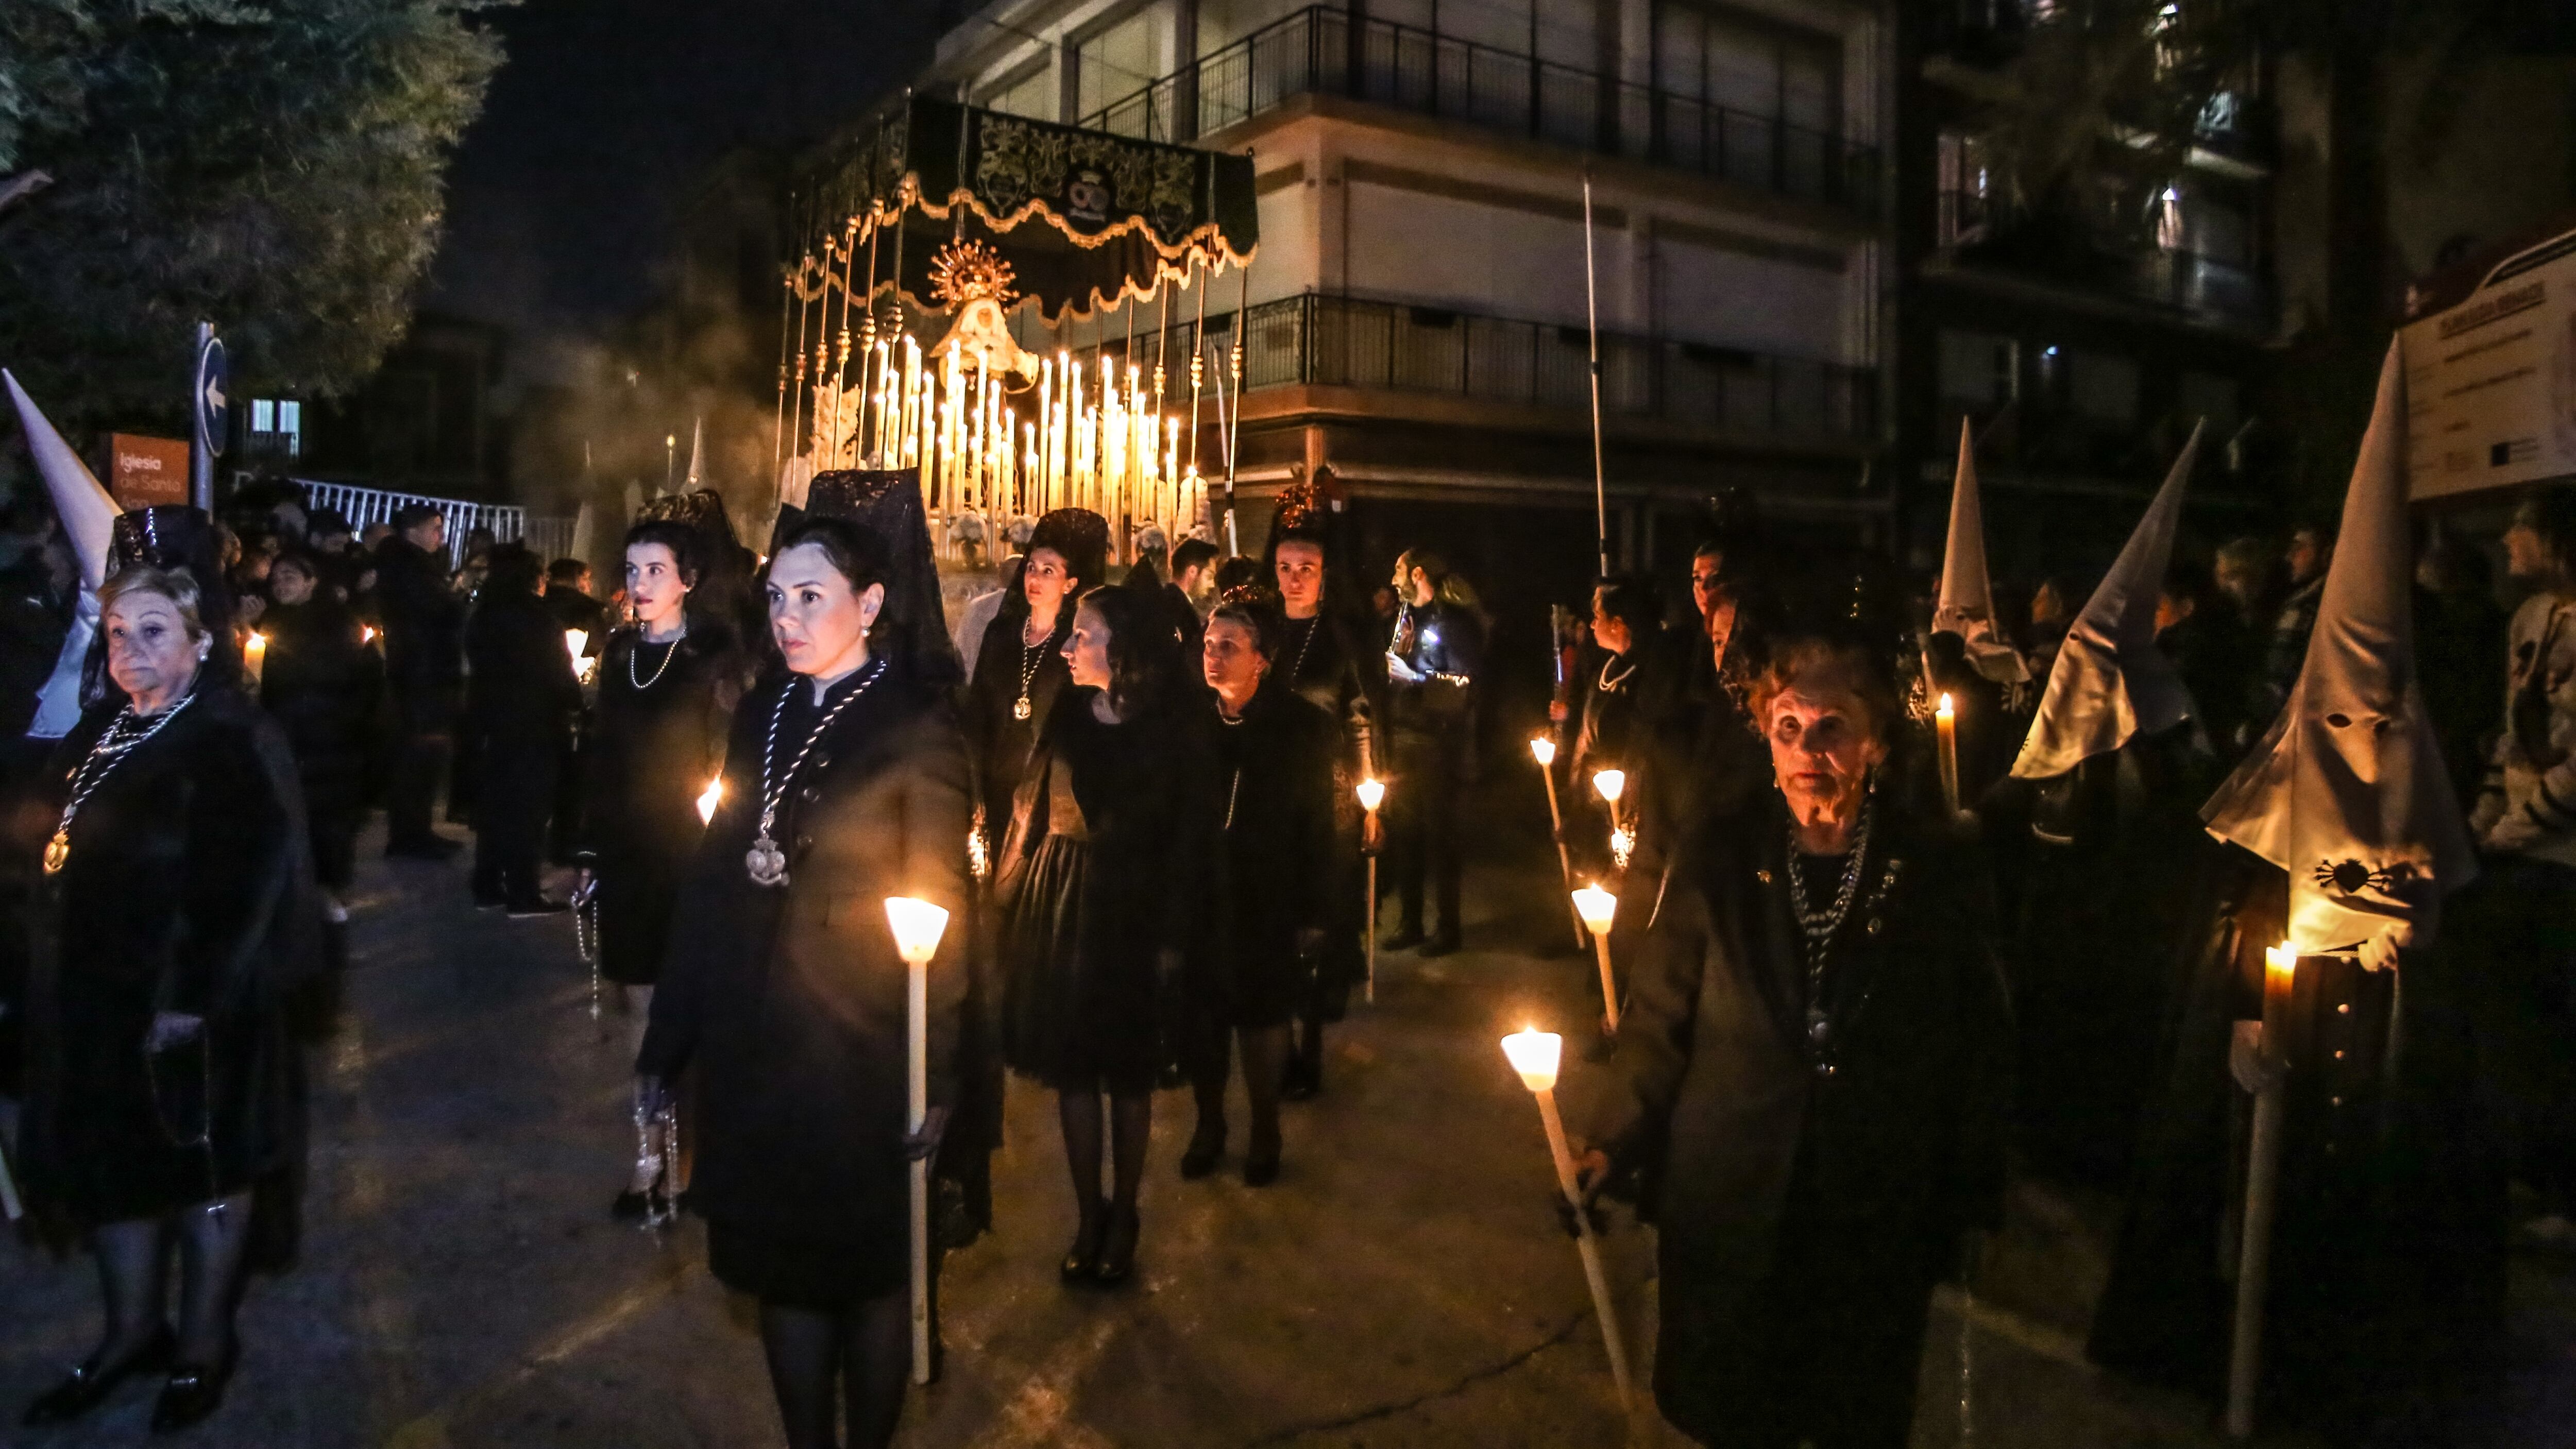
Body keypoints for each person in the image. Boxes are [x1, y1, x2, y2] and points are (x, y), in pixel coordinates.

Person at [1574, 634, 2010, 1449]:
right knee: (1733, 1408)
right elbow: (1659, 1021)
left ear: (1875, 740)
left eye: (1832, 727)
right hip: (1730, 1193)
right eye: (1788, 727)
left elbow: (1976, 1038)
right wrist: (1607, 1142)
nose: (1808, 749)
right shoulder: (1720, 851)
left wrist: (1970, 1187)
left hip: (1872, 1200)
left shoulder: (1937, 863)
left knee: (1849, 1409)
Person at [637, 517, 970, 1449]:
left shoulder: (913, 723)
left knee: (862, 1269)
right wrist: (672, 1032)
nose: (787, 617)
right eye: (778, 597)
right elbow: (716, 870)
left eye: (811, 596)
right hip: (758, 1039)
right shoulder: (764, 709)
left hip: (862, 1045)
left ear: (870, 604)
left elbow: (942, 909)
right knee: (782, 1267)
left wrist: (939, 1068)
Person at [18, 565, 319, 1434]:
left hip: (188, 1012)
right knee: (117, 1173)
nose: (131, 650)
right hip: (96, 1003)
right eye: (118, 632)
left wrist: (189, 999)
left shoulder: (225, 735)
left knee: (201, 1177)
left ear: (200, 641)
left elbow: (248, 878)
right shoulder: (105, 725)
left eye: (154, 631)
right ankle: (128, 1335)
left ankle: (201, 1346)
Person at [994, 582, 1198, 1286]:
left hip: (1134, 906)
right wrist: (1006, 889)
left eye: (1085, 634)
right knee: (1073, 1065)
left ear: (1126, 647)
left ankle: (1126, 1214)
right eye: (1073, 633)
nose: (1072, 645)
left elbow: (1185, 836)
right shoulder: (1070, 712)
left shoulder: (1168, 727)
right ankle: (1089, 1211)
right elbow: (1032, 802)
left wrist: (1174, 931)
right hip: (1068, 896)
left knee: (1127, 1070)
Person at [577, 520, 740, 1219]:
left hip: (691, 850)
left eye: (654, 570)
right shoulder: (617, 656)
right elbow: (600, 757)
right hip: (628, 850)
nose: (639, 583)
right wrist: (587, 850)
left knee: (693, 1006)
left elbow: (730, 757)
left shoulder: (711, 656)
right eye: (633, 568)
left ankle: (696, 1162)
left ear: (687, 579)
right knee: (642, 1006)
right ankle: (648, 1156)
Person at [1180, 595, 1335, 1186]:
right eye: (1208, 646)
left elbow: (1318, 824)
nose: (1213, 657)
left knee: (1262, 1014)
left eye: (1229, 647)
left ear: (1262, 660)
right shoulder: (1190, 720)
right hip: (1203, 889)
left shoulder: (1300, 729)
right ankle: (1209, 1122)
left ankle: (1265, 1125)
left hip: (1267, 888)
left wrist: (1316, 909)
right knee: (1203, 1016)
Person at [2464, 486, 2576, 1249]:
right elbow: (2514, 738)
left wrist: (2522, 826)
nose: (2508, 538)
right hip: (2517, 850)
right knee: (2515, 1027)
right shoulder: (2529, 621)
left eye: (2522, 526)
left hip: (2563, 857)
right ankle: (2524, 1167)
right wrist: (2480, 823)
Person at [1267, 504, 1382, 1097]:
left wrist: (1370, 800)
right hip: (1267, 792)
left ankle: (1307, 1041)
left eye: (1305, 567)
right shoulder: (1259, 630)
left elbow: (1358, 718)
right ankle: (1275, 1032)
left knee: (1316, 915)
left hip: (1325, 791)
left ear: (1323, 574)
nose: (1293, 577)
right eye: (1285, 566)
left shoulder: (1337, 639)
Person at [964, 509, 1105, 874]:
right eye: (1031, 567)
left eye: (1049, 571)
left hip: (1043, 795)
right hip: (993, 780)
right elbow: (979, 701)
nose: (1035, 578)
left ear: (1070, 583)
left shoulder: (1072, 644)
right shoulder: (1002, 633)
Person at [258, 551, 383, 923]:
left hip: (329, 734)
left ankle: (328, 888)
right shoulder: (271, 620)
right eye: (277, 577)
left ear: (312, 580)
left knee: (327, 814)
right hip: (286, 731)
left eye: (291, 576)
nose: (281, 584)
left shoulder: (337, 621)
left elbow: (360, 677)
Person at [462, 544, 579, 915]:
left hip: (490, 724)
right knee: (528, 809)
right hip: (534, 724)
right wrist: (575, 702)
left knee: (496, 805)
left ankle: (488, 884)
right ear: (533, 578)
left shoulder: (483, 616)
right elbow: (560, 673)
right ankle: (523, 892)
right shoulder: (539, 620)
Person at [1382, 548, 1481, 956]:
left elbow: (1463, 684)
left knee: (1442, 838)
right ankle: (1410, 922)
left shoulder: (1455, 622)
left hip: (1439, 745)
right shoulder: (1407, 617)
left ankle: (1448, 927)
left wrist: (1415, 677)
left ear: (1419, 573)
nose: (1393, 579)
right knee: (1405, 835)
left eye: (1399, 569)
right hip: (1405, 738)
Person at [374, 504, 466, 859]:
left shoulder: (410, 565)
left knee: (423, 755)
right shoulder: (408, 567)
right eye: (436, 529)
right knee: (418, 756)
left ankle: (417, 829)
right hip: (422, 674)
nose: (440, 538)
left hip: (421, 671)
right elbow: (438, 612)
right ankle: (411, 835)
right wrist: (455, 602)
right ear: (414, 530)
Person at [1558, 577, 1661, 883]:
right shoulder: (1607, 669)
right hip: (1589, 805)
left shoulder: (1648, 677)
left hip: (1619, 813)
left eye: (1598, 617)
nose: (1591, 625)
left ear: (1618, 624)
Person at [1170, 537, 1219, 618]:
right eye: (1209, 576)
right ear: (1192, 571)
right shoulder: (1177, 612)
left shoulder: (1170, 604)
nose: (1212, 585)